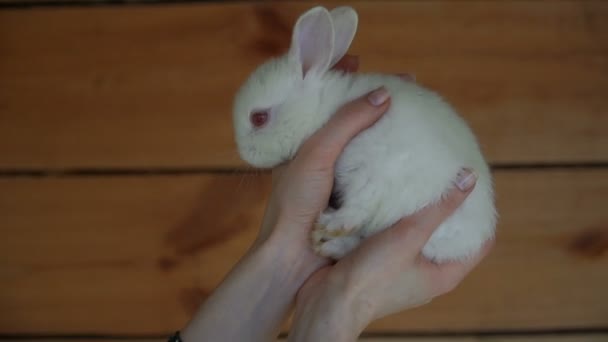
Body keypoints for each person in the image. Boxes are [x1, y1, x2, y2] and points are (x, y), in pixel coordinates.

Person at [175, 56, 493, 342]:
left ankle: (354, 237)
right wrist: (342, 302)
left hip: (446, 221)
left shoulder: (350, 109)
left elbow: (386, 161)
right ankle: (355, 241)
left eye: (259, 121)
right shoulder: (352, 106)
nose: (246, 150)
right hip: (451, 225)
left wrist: (348, 220)